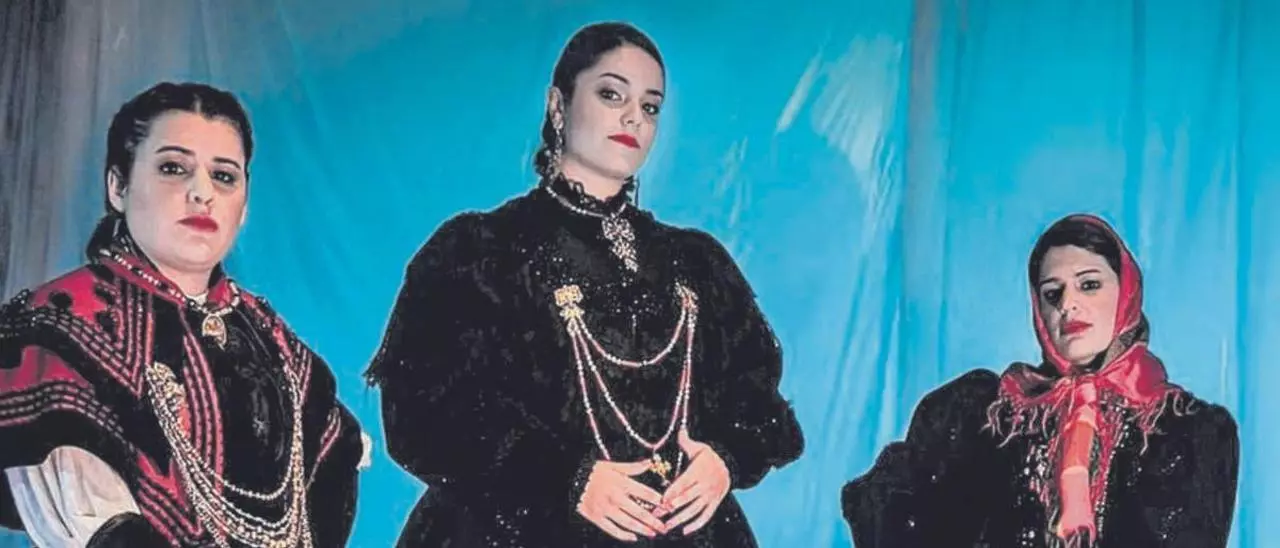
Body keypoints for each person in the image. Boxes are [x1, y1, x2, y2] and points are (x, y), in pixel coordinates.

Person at [364, 21, 805, 547]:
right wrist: (565, 479)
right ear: (558, 105)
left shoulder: (696, 264)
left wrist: (725, 460)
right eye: (611, 94)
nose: (633, 117)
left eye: (650, 106)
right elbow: (422, 414)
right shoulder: (482, 253)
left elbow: (756, 398)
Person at [0, 82, 367, 547]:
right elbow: (98, 524)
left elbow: (334, 460)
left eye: (224, 176)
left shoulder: (270, 337)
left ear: (244, 204)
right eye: (174, 168)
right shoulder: (59, 326)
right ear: (118, 186)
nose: (202, 193)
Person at [841, 213, 1239, 547]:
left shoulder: (1188, 427)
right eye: (1052, 294)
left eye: (1089, 285)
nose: (1068, 304)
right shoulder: (989, 414)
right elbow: (889, 513)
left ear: (1126, 293)